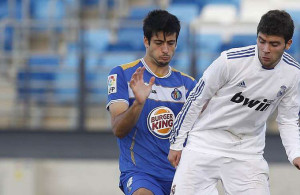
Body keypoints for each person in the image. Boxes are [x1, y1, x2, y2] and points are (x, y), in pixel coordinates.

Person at [168, 9, 300, 195]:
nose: (266, 49)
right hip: (205, 142)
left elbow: (287, 120)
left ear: (288, 44)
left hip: (247, 151)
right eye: (261, 41)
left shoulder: (293, 74)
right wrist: (177, 143)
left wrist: (296, 153)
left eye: (274, 44)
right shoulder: (230, 61)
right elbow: (196, 99)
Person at [106, 10, 196, 195]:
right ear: (146, 41)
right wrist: (138, 104)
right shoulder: (122, 74)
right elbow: (118, 129)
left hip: (180, 176)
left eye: (170, 43)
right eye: (159, 43)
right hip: (141, 174)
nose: (165, 49)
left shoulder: (188, 85)